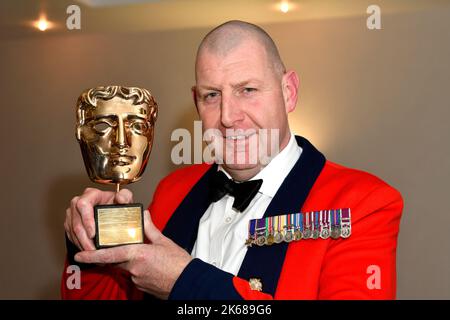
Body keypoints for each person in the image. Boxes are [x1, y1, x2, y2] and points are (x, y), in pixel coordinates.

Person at [62, 20, 403, 300]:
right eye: (212, 95)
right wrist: (90, 245)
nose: (227, 116)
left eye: (247, 90)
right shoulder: (173, 191)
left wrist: (184, 283)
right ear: (196, 101)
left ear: (289, 92)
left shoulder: (363, 203)